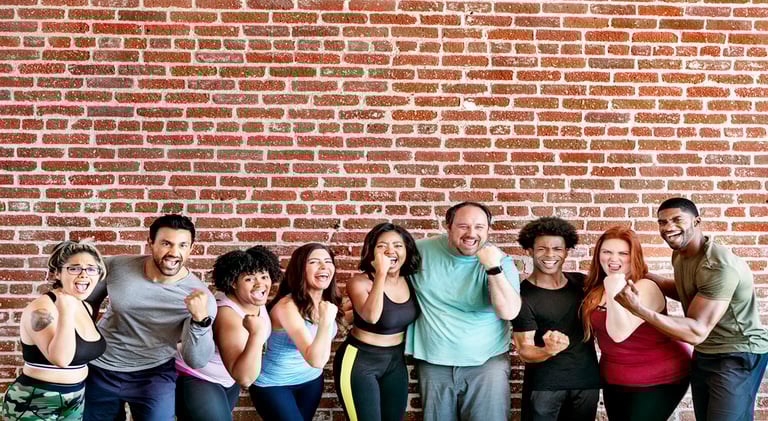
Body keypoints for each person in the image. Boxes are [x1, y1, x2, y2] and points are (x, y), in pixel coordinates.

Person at [615, 198, 768, 421]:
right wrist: (640, 273)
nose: (668, 227)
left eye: (677, 220)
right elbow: (686, 291)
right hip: (706, 352)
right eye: (662, 222)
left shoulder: (717, 266)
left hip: (737, 352)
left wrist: (638, 309)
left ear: (697, 221)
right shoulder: (681, 254)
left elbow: (696, 331)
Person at [83, 214, 217, 421]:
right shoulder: (116, 266)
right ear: (150, 243)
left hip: (153, 374)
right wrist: (83, 343)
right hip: (100, 368)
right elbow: (87, 302)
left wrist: (200, 321)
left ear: (191, 248)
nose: (174, 252)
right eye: (166, 243)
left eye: (182, 245)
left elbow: (196, 360)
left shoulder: (201, 298)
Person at [406, 201, 521, 421]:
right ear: (448, 227)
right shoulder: (419, 252)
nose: (471, 233)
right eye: (463, 226)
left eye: (479, 227)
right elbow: (388, 277)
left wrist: (493, 268)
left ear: (488, 230)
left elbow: (509, 312)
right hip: (434, 363)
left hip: (487, 364)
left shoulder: (500, 261)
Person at [583, 226, 691, 421]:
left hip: (658, 376)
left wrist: (614, 287)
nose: (613, 259)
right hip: (614, 377)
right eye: (607, 252)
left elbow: (619, 333)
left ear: (634, 256)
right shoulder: (597, 288)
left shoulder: (645, 287)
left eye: (623, 253)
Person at [1, 240, 107, 420]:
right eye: (74, 268)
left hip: (75, 399)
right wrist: (65, 312)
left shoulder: (85, 307)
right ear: (57, 273)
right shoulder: (41, 309)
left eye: (91, 269)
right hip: (36, 399)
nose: (84, 274)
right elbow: (61, 359)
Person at [174, 246, 282, 421]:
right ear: (233, 282)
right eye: (249, 279)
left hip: (227, 379)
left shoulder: (253, 299)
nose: (260, 284)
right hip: (198, 378)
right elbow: (245, 379)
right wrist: (256, 333)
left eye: (264, 276)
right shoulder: (226, 314)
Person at [511, 217, 600, 421]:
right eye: (542, 249)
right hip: (545, 387)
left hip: (586, 382)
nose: (550, 255)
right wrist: (547, 350)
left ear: (566, 251)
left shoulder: (581, 282)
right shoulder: (522, 296)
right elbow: (524, 350)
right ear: (530, 251)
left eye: (557, 249)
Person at [333, 223, 422, 421]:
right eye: (382, 246)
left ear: (407, 250)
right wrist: (381, 273)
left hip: (395, 361)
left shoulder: (411, 281)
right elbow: (371, 316)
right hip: (359, 361)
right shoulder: (359, 283)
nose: (390, 250)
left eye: (398, 245)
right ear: (372, 251)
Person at [250, 243, 340, 421]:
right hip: (275, 385)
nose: (323, 266)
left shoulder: (326, 301)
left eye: (328, 261)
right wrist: (326, 321)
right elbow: (316, 360)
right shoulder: (287, 307)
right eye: (314, 262)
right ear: (300, 270)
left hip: (310, 381)